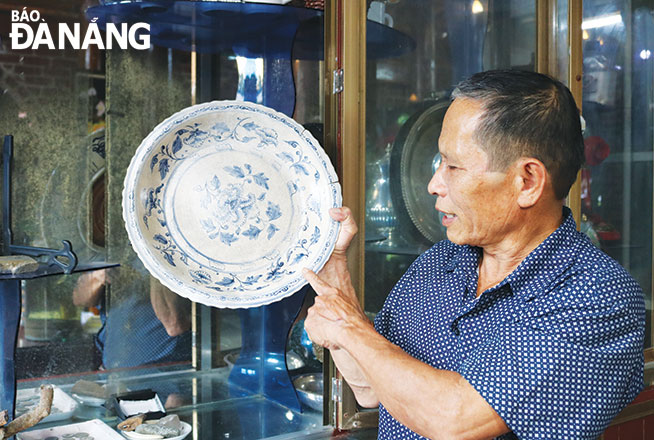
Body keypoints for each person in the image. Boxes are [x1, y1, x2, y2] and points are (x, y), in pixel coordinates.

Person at [302, 70, 645, 440]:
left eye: (452, 166)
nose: (434, 185)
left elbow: (456, 420)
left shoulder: (597, 296)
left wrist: (349, 328)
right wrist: (335, 269)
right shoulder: (441, 261)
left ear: (527, 181)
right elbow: (369, 388)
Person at [73, 268, 191, 370]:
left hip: (161, 370)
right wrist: (98, 277)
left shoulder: (165, 257)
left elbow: (174, 325)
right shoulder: (111, 251)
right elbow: (79, 299)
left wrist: (153, 268)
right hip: (112, 370)